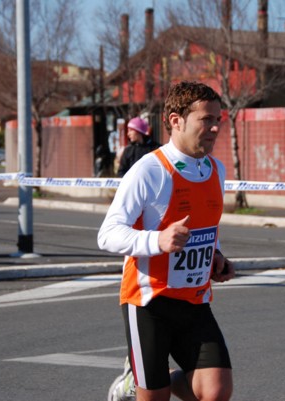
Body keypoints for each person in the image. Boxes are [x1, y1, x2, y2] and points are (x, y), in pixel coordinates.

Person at [98, 81, 235, 401]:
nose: (215, 127)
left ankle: (158, 380)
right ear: (176, 120)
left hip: (195, 302)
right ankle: (134, 384)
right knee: (154, 397)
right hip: (149, 302)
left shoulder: (217, 170)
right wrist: (157, 240)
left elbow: (203, 231)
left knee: (216, 392)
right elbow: (108, 233)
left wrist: (216, 257)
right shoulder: (148, 171)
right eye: (206, 120)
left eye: (218, 119)